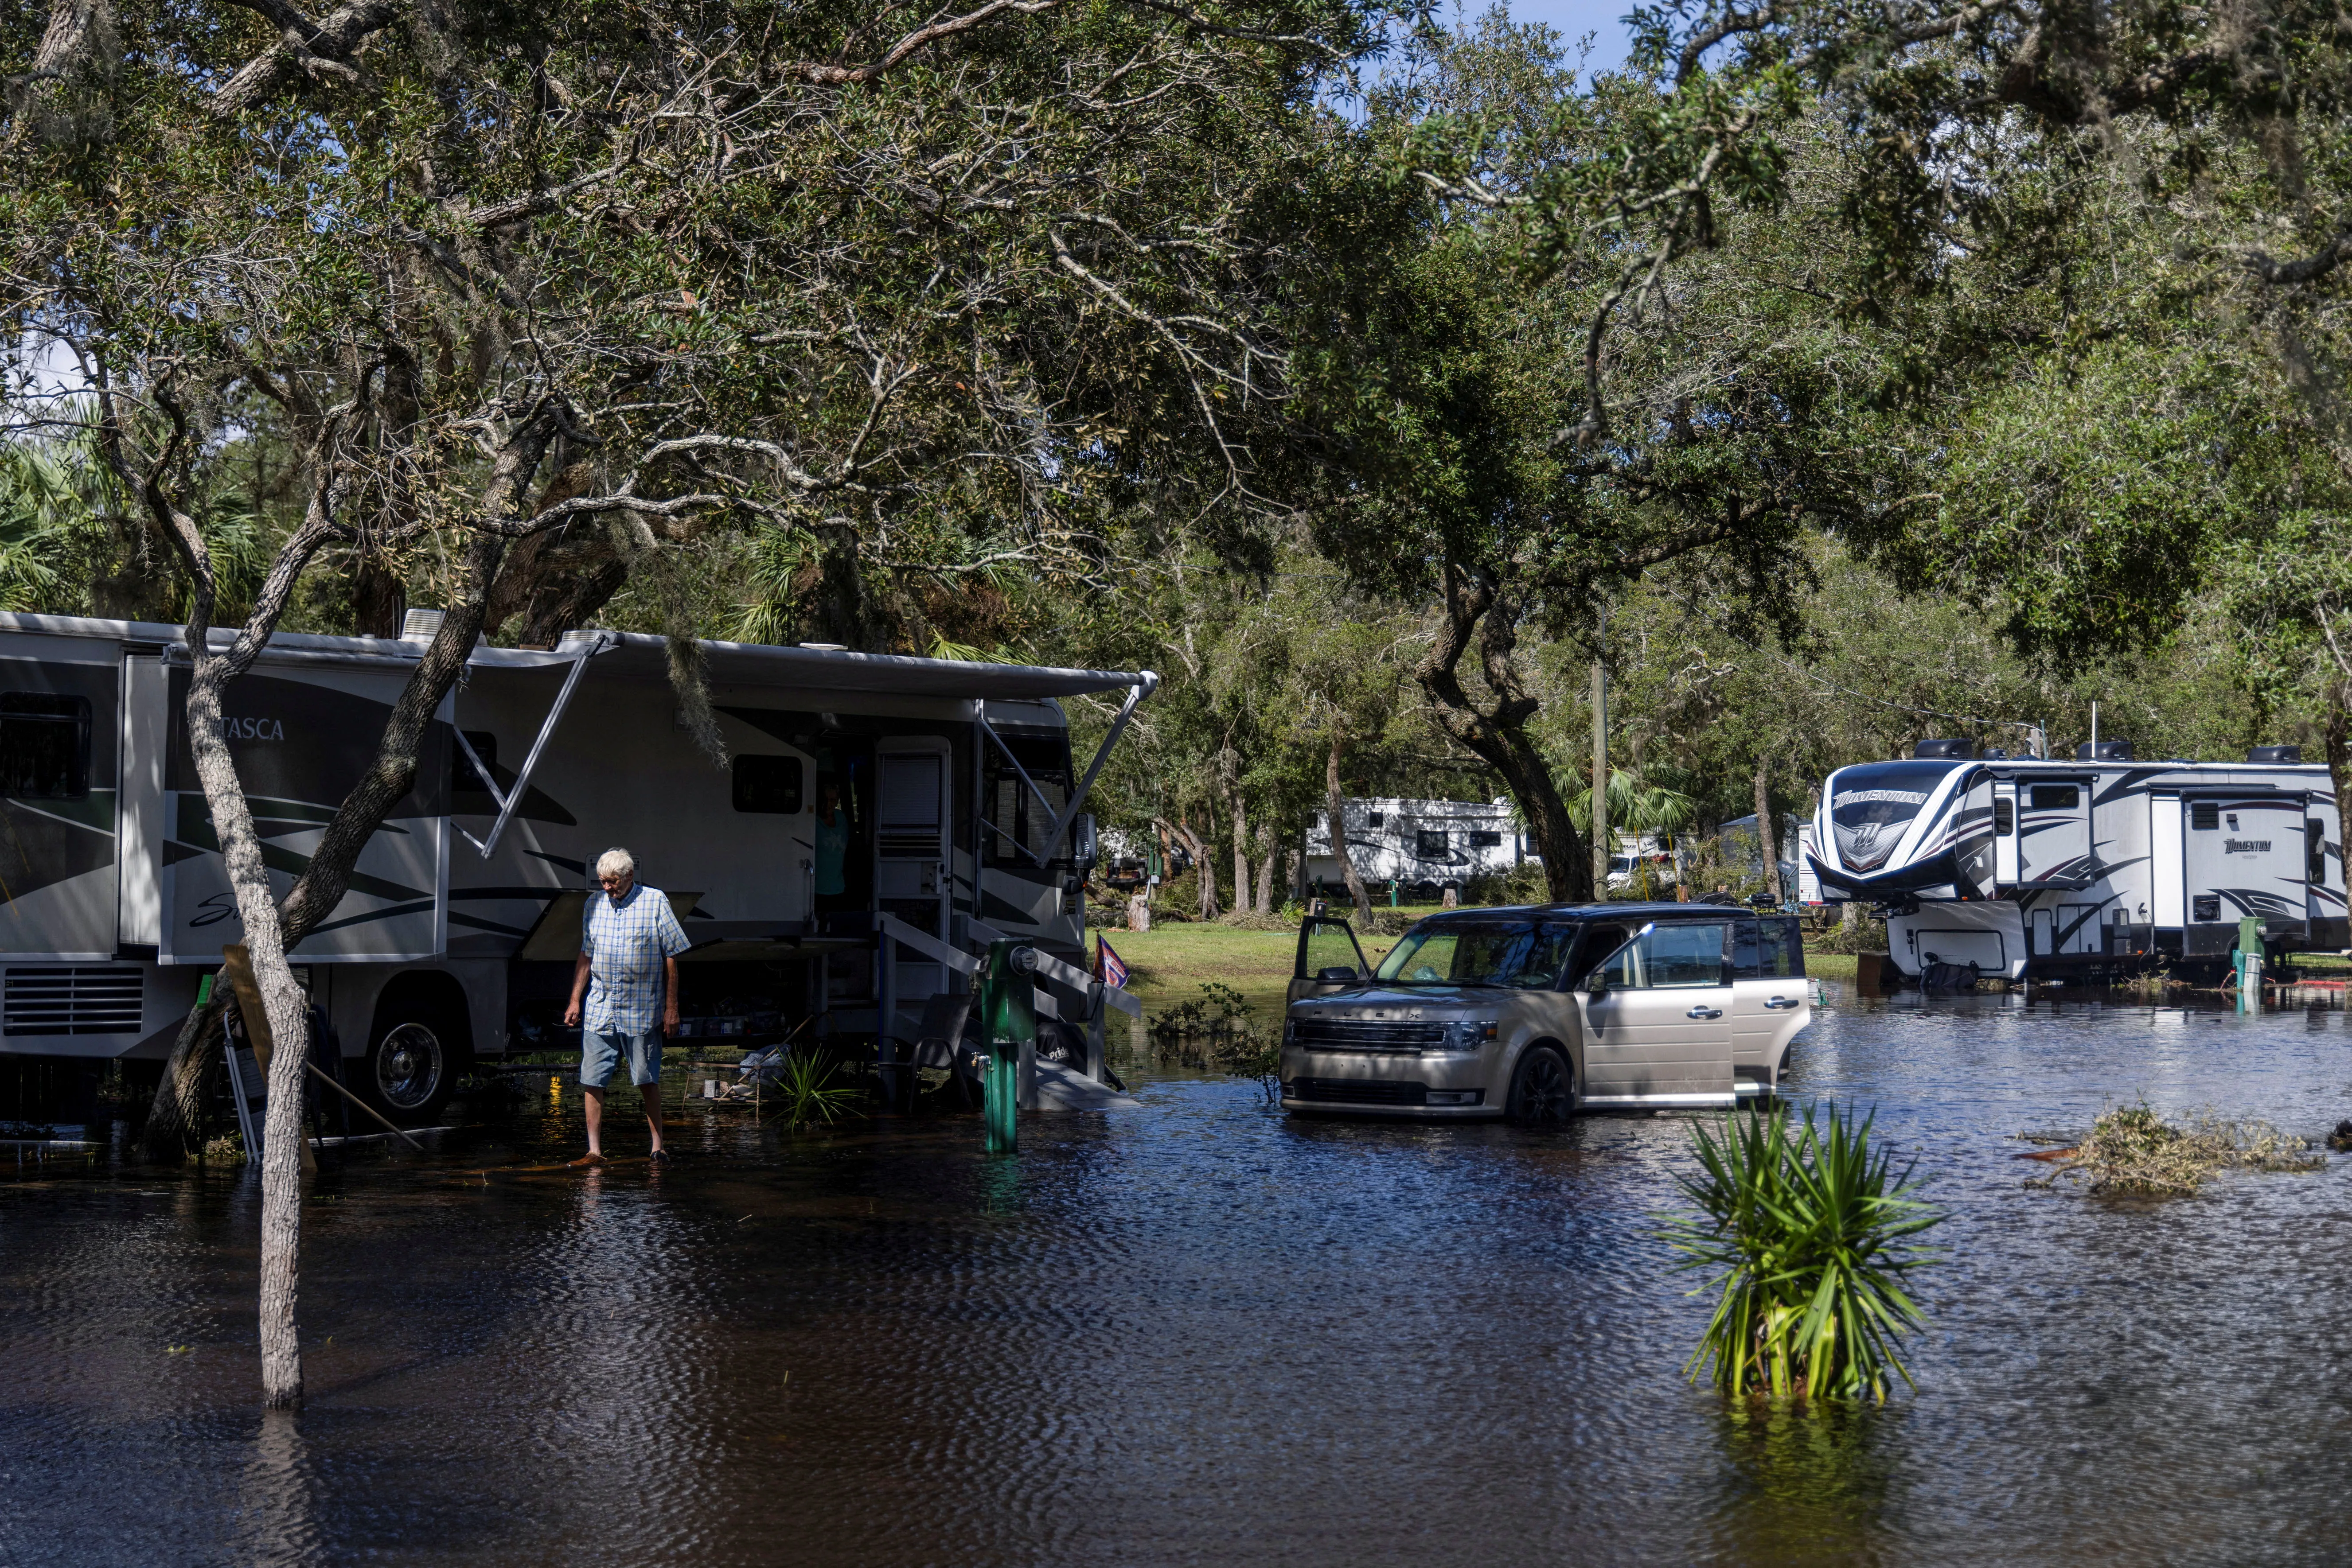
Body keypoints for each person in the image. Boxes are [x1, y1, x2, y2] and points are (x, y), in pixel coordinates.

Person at [563, 847, 691, 1166]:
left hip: (641, 1008)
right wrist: (575, 998)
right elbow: (586, 954)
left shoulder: (654, 901)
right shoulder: (594, 904)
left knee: (646, 1078)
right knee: (592, 1079)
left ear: (630, 876)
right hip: (601, 1006)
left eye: (612, 882)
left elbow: (672, 954)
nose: (606, 887)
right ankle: (594, 1151)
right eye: (602, 881)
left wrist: (671, 1007)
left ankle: (658, 1146)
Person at [813, 781, 849, 901]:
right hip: (817, 888)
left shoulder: (841, 818)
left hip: (838, 886)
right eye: (826, 799)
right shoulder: (814, 821)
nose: (829, 804)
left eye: (833, 800)